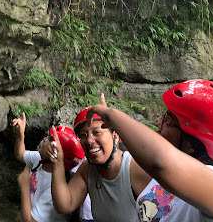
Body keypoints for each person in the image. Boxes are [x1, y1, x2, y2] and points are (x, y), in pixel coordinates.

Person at [82, 79, 213, 221]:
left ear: (191, 144)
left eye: (167, 122)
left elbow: (160, 164)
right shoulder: (158, 180)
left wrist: (114, 117)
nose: (158, 124)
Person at [47, 94, 152, 222]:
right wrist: (57, 163)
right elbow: (65, 205)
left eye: (97, 132)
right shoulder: (87, 169)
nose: (89, 140)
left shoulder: (133, 168)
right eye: (83, 135)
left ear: (116, 136)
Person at [13, 112, 85, 222]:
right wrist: (20, 135)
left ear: (55, 153)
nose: (45, 138)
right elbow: (20, 154)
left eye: (50, 139)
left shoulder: (55, 188)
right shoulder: (40, 159)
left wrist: (24, 188)